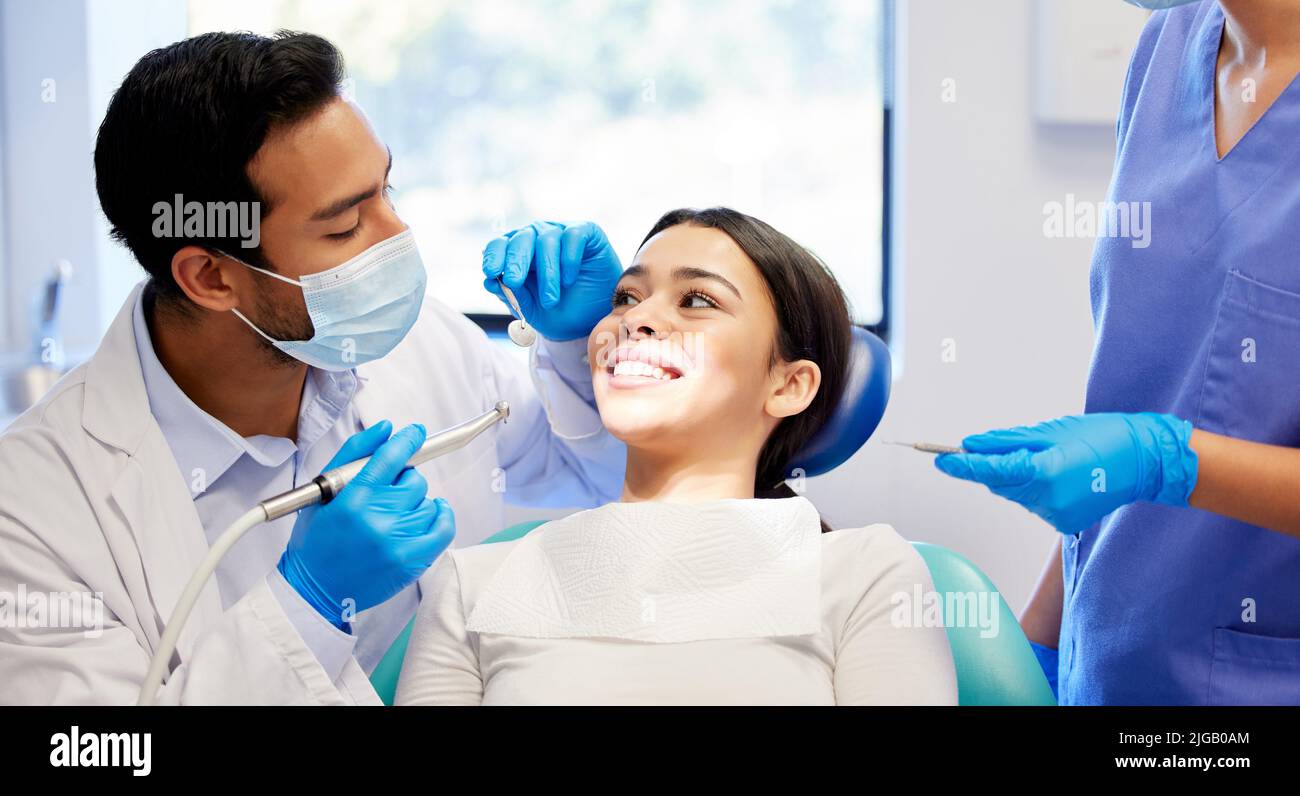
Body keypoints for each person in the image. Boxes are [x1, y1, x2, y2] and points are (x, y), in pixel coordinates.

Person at [0, 31, 626, 705]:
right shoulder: (33, 509)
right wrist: (307, 609)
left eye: (387, 190)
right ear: (211, 276)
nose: (399, 240)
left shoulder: (425, 342)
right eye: (344, 228)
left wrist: (582, 346)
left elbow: (592, 477)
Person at [396, 208, 959, 705]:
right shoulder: (472, 582)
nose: (632, 320)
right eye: (626, 298)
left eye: (697, 300)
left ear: (788, 386)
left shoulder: (863, 573)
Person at [934, 0, 1300, 704]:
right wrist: (1038, 648)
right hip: (1108, 670)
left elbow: (1151, 448)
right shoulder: (1166, 50)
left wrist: (1163, 458)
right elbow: (1154, 389)